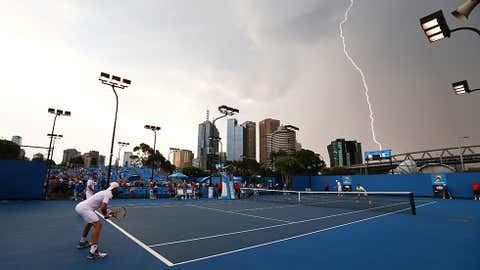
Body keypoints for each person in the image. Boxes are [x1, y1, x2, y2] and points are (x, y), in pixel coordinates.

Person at [74, 182, 120, 259]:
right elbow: (103, 208)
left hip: (80, 206)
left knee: (90, 223)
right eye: (117, 189)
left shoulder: (104, 192)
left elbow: (101, 206)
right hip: (85, 208)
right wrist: (105, 215)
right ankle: (93, 252)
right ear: (114, 188)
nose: (118, 190)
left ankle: (82, 242)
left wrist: (109, 212)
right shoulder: (108, 194)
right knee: (98, 225)